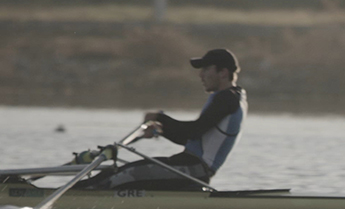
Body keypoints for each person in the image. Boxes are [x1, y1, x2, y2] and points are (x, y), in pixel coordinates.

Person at [77, 48, 247, 190]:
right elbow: (188, 138)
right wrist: (161, 129)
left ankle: (73, 197)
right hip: (188, 167)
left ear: (223, 72)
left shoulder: (227, 99)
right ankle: (77, 193)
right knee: (114, 173)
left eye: (205, 69)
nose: (200, 75)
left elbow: (194, 131)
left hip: (193, 171)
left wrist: (160, 118)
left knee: (121, 176)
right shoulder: (230, 97)